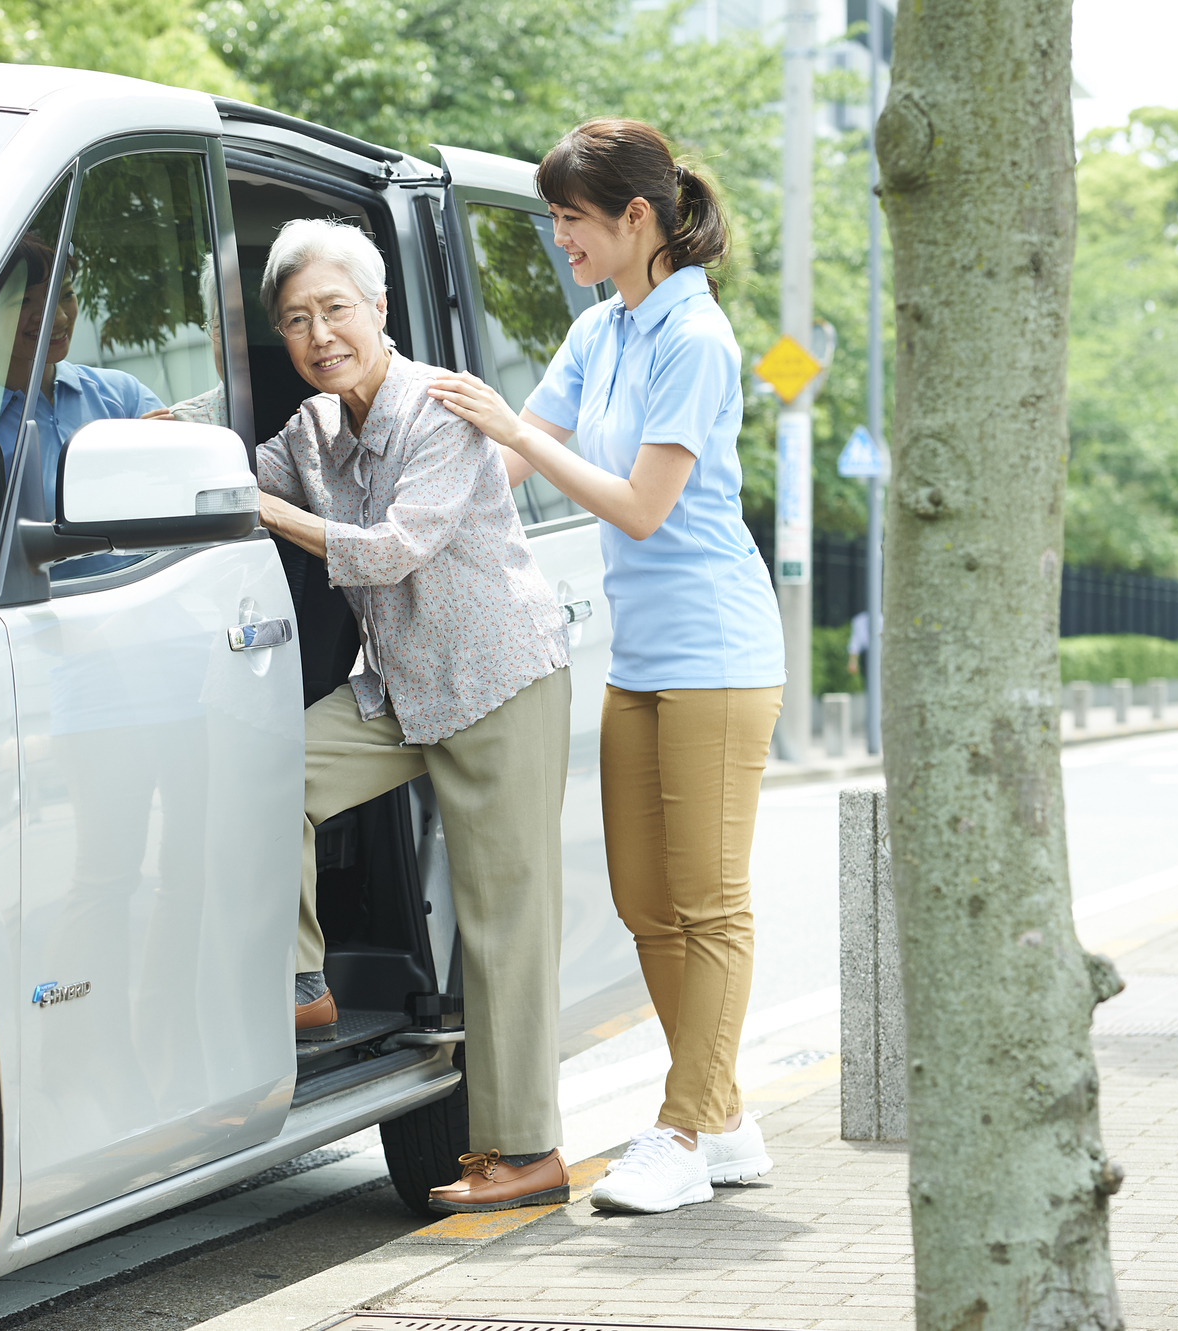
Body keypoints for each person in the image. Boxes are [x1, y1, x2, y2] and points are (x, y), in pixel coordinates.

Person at [428, 118, 786, 1215]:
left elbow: (638, 502)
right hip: (641, 653)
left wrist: (524, 440)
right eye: (554, 219)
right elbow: (502, 444)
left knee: (708, 903)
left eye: (571, 220)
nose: (560, 238)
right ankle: (721, 1120)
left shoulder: (696, 340)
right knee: (643, 901)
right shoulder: (602, 330)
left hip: (718, 650)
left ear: (637, 220)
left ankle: (681, 1128)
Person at [254, 217, 575, 1214]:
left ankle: (525, 1153)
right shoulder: (311, 430)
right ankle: (305, 981)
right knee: (272, 775)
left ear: (379, 309)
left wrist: (264, 509)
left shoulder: (439, 408)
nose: (318, 335)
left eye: (335, 309)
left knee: (500, 925)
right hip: (399, 690)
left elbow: (389, 549)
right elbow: (238, 476)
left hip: (495, 679)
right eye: (296, 319)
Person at [0, 233, 163, 517]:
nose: (59, 317)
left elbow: (174, 489)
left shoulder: (121, 394)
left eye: (66, 295)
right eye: (25, 301)